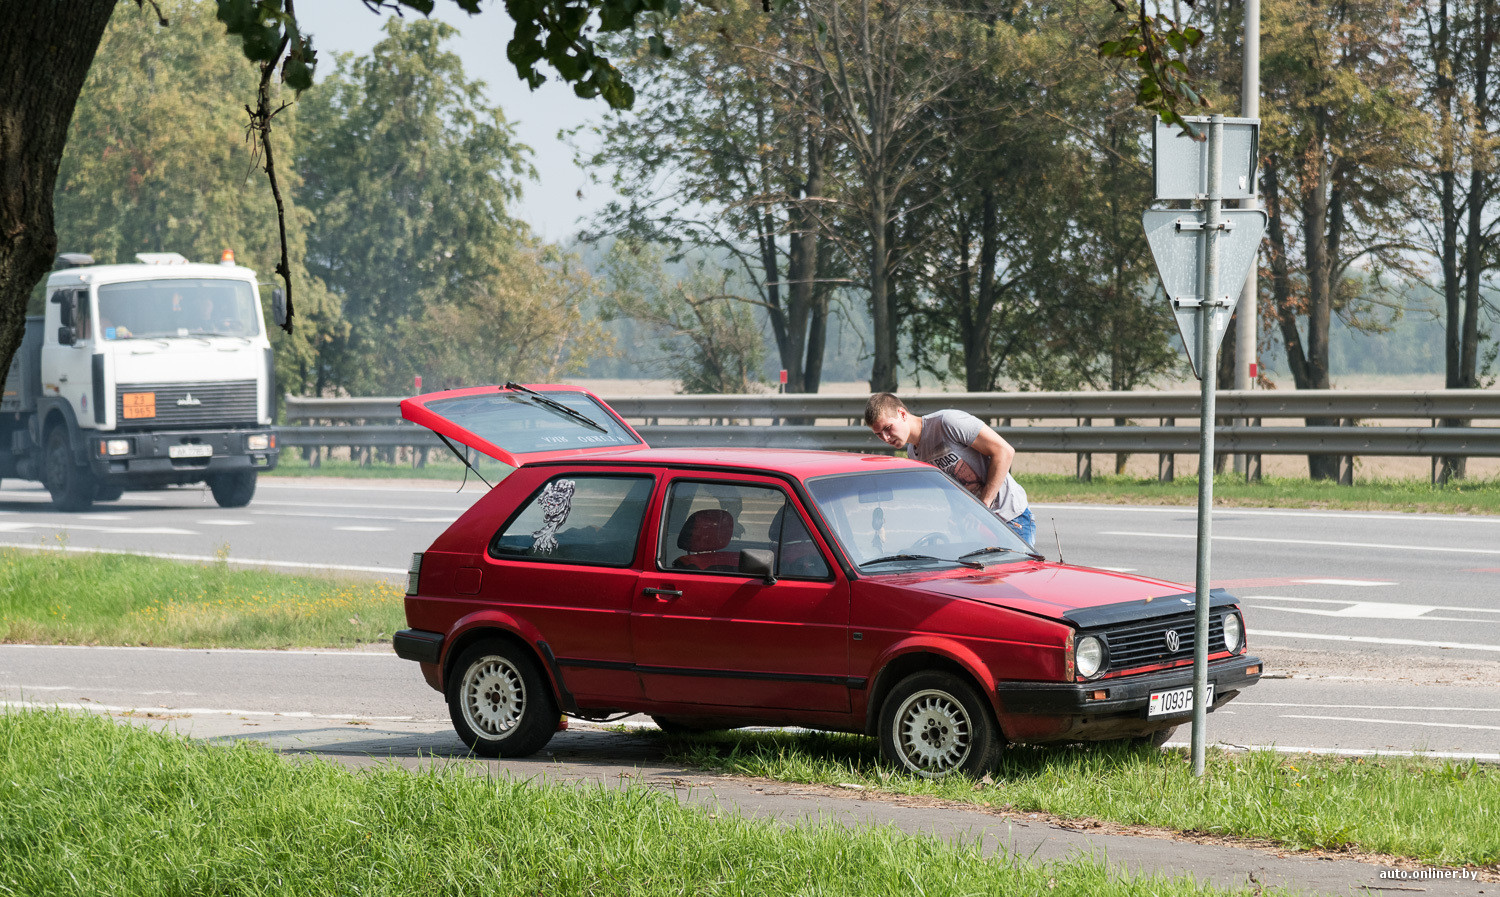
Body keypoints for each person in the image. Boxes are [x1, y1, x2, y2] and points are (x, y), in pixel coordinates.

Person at [864, 392, 1035, 547]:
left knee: (1013, 581)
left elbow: (1004, 451)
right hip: (976, 528)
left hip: (1009, 518)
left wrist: (981, 508)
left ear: (902, 414)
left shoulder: (947, 422)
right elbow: (951, 489)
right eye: (879, 434)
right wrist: (958, 517)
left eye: (887, 428)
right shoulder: (914, 453)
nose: (886, 438)